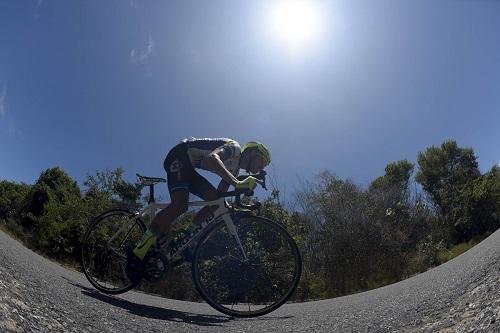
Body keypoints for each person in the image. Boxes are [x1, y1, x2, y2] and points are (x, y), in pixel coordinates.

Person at [126, 137, 271, 278]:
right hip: (179, 156)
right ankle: (137, 252)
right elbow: (211, 158)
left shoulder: (235, 170)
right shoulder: (235, 148)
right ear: (253, 152)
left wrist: (234, 208)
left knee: (215, 202)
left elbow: (220, 196)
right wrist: (237, 183)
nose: (261, 168)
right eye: (263, 162)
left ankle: (185, 237)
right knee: (180, 205)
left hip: (189, 168)